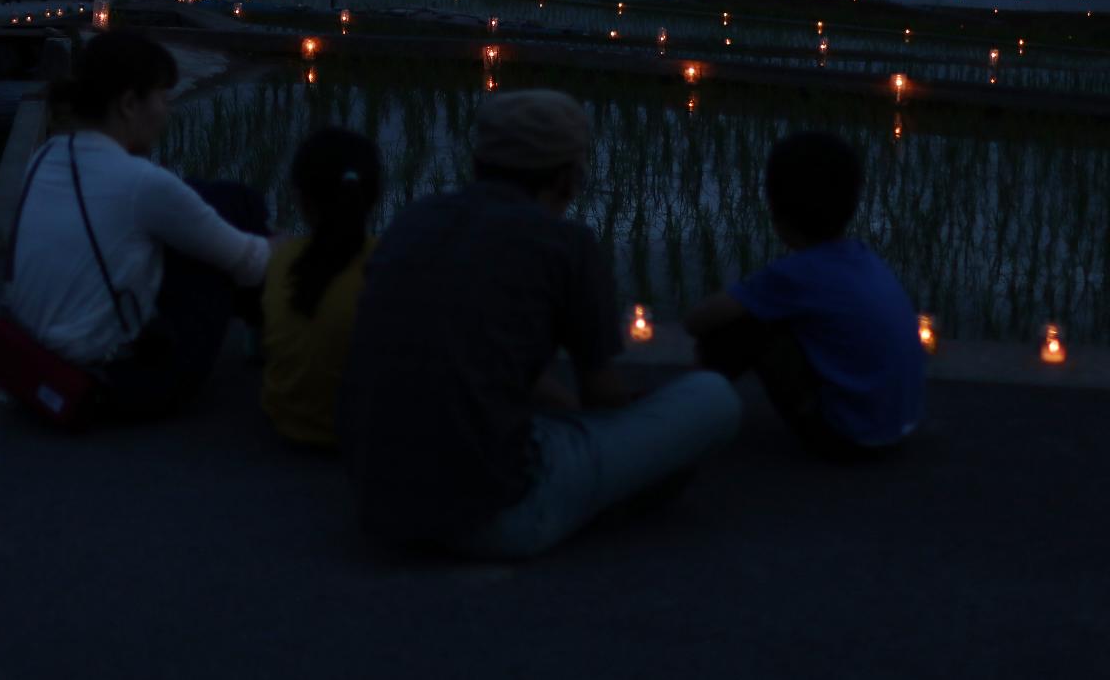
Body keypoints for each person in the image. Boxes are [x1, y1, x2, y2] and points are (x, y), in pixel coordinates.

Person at [340, 89, 740, 560]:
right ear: (568, 178)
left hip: (378, 506)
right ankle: (592, 499)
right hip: (495, 518)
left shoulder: (414, 220)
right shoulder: (566, 243)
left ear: (479, 163)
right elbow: (601, 396)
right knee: (712, 397)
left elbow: (476, 355)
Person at [4, 30, 271, 419]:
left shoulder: (44, 157)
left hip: (28, 363)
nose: (167, 109)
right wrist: (286, 243)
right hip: (107, 382)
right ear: (129, 103)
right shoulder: (141, 184)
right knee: (238, 206)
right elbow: (253, 262)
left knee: (206, 195)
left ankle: (264, 331)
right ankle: (274, 339)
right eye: (162, 97)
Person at [685, 132, 925, 460]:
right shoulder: (863, 257)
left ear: (776, 210)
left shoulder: (796, 274)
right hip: (897, 428)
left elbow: (696, 321)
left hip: (848, 440)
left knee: (746, 326)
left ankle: (687, 410)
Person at [261, 129, 382, 449]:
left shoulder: (282, 258)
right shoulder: (391, 261)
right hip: (363, 433)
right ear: (373, 196)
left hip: (286, 421)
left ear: (302, 198)